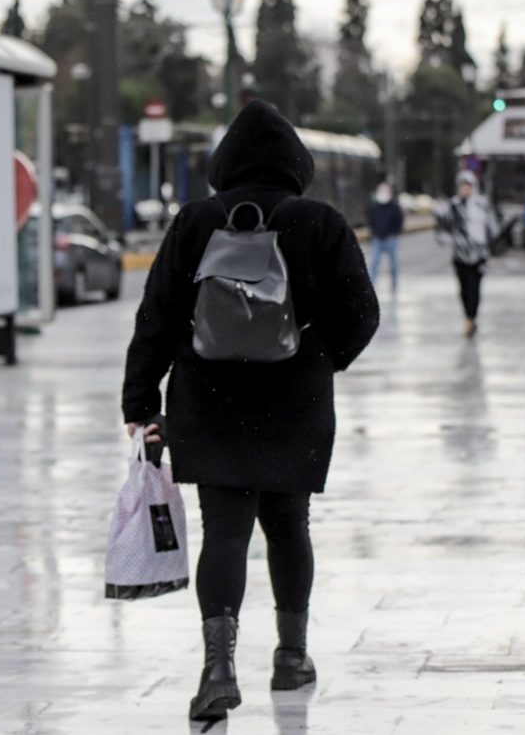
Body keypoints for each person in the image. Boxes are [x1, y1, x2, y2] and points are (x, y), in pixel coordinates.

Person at [122, 100, 379, 723]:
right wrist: (318, 357)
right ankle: (292, 658)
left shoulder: (195, 221)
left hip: (209, 400)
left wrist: (140, 401)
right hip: (297, 401)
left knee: (226, 531)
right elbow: (362, 314)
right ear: (297, 164)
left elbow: (155, 315)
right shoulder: (320, 223)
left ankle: (217, 668)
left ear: (224, 164)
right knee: (290, 526)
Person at [438, 171, 498, 337]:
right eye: (463, 186)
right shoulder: (453, 206)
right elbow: (442, 231)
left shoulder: (482, 205)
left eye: (468, 186)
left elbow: (492, 228)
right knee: (464, 290)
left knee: (475, 288)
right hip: (459, 256)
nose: (465, 190)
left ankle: (471, 318)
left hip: (479, 256)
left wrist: (487, 245)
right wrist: (454, 241)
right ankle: (468, 316)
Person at [367, 182, 405, 293]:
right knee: (374, 263)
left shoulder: (394, 207)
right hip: (377, 239)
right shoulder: (375, 206)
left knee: (393, 264)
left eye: (385, 190)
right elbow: (371, 220)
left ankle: (394, 284)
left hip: (390, 239)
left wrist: (394, 233)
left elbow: (399, 221)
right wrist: (373, 233)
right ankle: (371, 285)